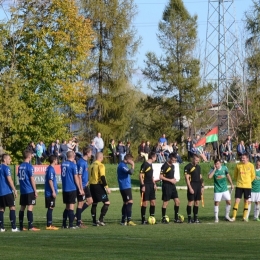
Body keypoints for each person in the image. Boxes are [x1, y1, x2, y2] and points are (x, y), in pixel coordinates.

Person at [18, 150, 40, 231]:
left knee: (22, 208)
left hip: (23, 190)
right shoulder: (29, 166)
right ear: (29, 156)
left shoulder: (20, 166)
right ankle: (30, 226)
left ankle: (21, 226)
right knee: (30, 207)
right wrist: (35, 190)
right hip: (29, 189)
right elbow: (32, 179)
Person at [61, 151, 84, 229]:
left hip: (65, 188)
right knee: (71, 207)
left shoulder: (63, 164)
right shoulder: (73, 165)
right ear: (73, 156)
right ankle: (71, 225)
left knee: (67, 207)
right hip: (71, 188)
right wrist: (80, 189)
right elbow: (76, 178)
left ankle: (64, 224)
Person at [231, 154, 255, 221]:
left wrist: (248, 181)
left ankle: (244, 217)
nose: (242, 159)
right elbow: (235, 175)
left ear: (247, 158)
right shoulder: (238, 165)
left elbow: (253, 176)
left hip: (247, 186)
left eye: (244, 158)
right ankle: (233, 217)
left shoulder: (251, 165)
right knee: (237, 201)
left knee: (246, 201)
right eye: (241, 158)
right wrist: (239, 181)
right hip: (239, 185)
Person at [89, 152, 111, 226]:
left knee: (94, 203)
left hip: (91, 186)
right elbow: (102, 177)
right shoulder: (100, 165)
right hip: (98, 185)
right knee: (107, 202)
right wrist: (107, 188)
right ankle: (100, 220)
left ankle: (94, 221)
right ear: (101, 157)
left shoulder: (91, 165)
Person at [0, 154, 19, 232]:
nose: (10, 160)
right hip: (7, 191)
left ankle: (1, 227)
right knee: (12, 207)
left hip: (0, 192)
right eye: (9, 159)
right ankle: (14, 227)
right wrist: (14, 190)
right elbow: (9, 180)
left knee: (1, 209)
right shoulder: (6, 168)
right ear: (4, 160)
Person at [160, 153, 181, 223]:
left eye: (175, 159)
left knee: (177, 201)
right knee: (166, 203)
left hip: (172, 186)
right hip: (166, 186)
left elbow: (170, 175)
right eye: (173, 159)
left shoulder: (173, 166)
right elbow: (161, 177)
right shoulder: (164, 166)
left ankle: (176, 218)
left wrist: (174, 179)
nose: (174, 161)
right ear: (170, 158)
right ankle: (163, 218)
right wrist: (170, 180)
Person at [75, 147, 93, 228]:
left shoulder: (85, 162)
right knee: (80, 203)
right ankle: (78, 222)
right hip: (81, 186)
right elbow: (79, 176)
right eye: (90, 152)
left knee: (90, 201)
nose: (91, 154)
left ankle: (76, 216)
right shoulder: (81, 162)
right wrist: (80, 188)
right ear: (87, 153)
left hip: (85, 185)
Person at [184, 154, 204, 223]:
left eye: (198, 161)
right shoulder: (187, 167)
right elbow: (187, 178)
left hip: (198, 185)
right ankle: (189, 218)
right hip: (192, 185)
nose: (197, 162)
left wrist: (202, 186)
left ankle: (195, 218)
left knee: (197, 202)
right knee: (190, 201)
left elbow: (200, 176)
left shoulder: (198, 167)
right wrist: (189, 188)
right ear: (192, 159)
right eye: (196, 160)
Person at [117, 154, 136, 226]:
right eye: (131, 160)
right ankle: (129, 220)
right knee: (130, 202)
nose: (131, 161)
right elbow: (131, 172)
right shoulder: (122, 165)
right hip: (125, 187)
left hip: (125, 186)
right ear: (128, 159)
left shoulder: (124, 165)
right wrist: (133, 165)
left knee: (126, 203)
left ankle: (123, 220)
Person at [140, 152, 157, 224]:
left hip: (151, 185)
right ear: (153, 157)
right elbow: (140, 175)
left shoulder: (151, 164)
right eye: (155, 157)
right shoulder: (145, 164)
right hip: (146, 185)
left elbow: (151, 176)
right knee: (145, 203)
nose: (156, 158)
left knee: (153, 202)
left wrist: (154, 184)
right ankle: (143, 220)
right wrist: (143, 185)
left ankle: (152, 218)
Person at [44, 155, 59, 230]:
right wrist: (53, 191)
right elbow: (50, 180)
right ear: (54, 160)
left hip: (49, 192)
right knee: (50, 207)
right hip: (50, 193)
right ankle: (49, 225)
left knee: (51, 208)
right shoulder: (50, 169)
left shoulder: (49, 168)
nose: (57, 161)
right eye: (56, 159)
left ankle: (50, 224)